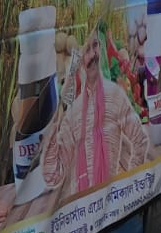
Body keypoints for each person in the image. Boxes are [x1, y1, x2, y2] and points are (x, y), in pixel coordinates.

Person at [39, 26, 149, 203]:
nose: (93, 55)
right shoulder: (72, 112)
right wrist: (54, 128)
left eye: (95, 46)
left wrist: (129, 183)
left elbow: (140, 140)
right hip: (81, 208)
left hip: (111, 204)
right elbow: (53, 176)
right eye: (87, 50)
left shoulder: (115, 95)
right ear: (79, 60)